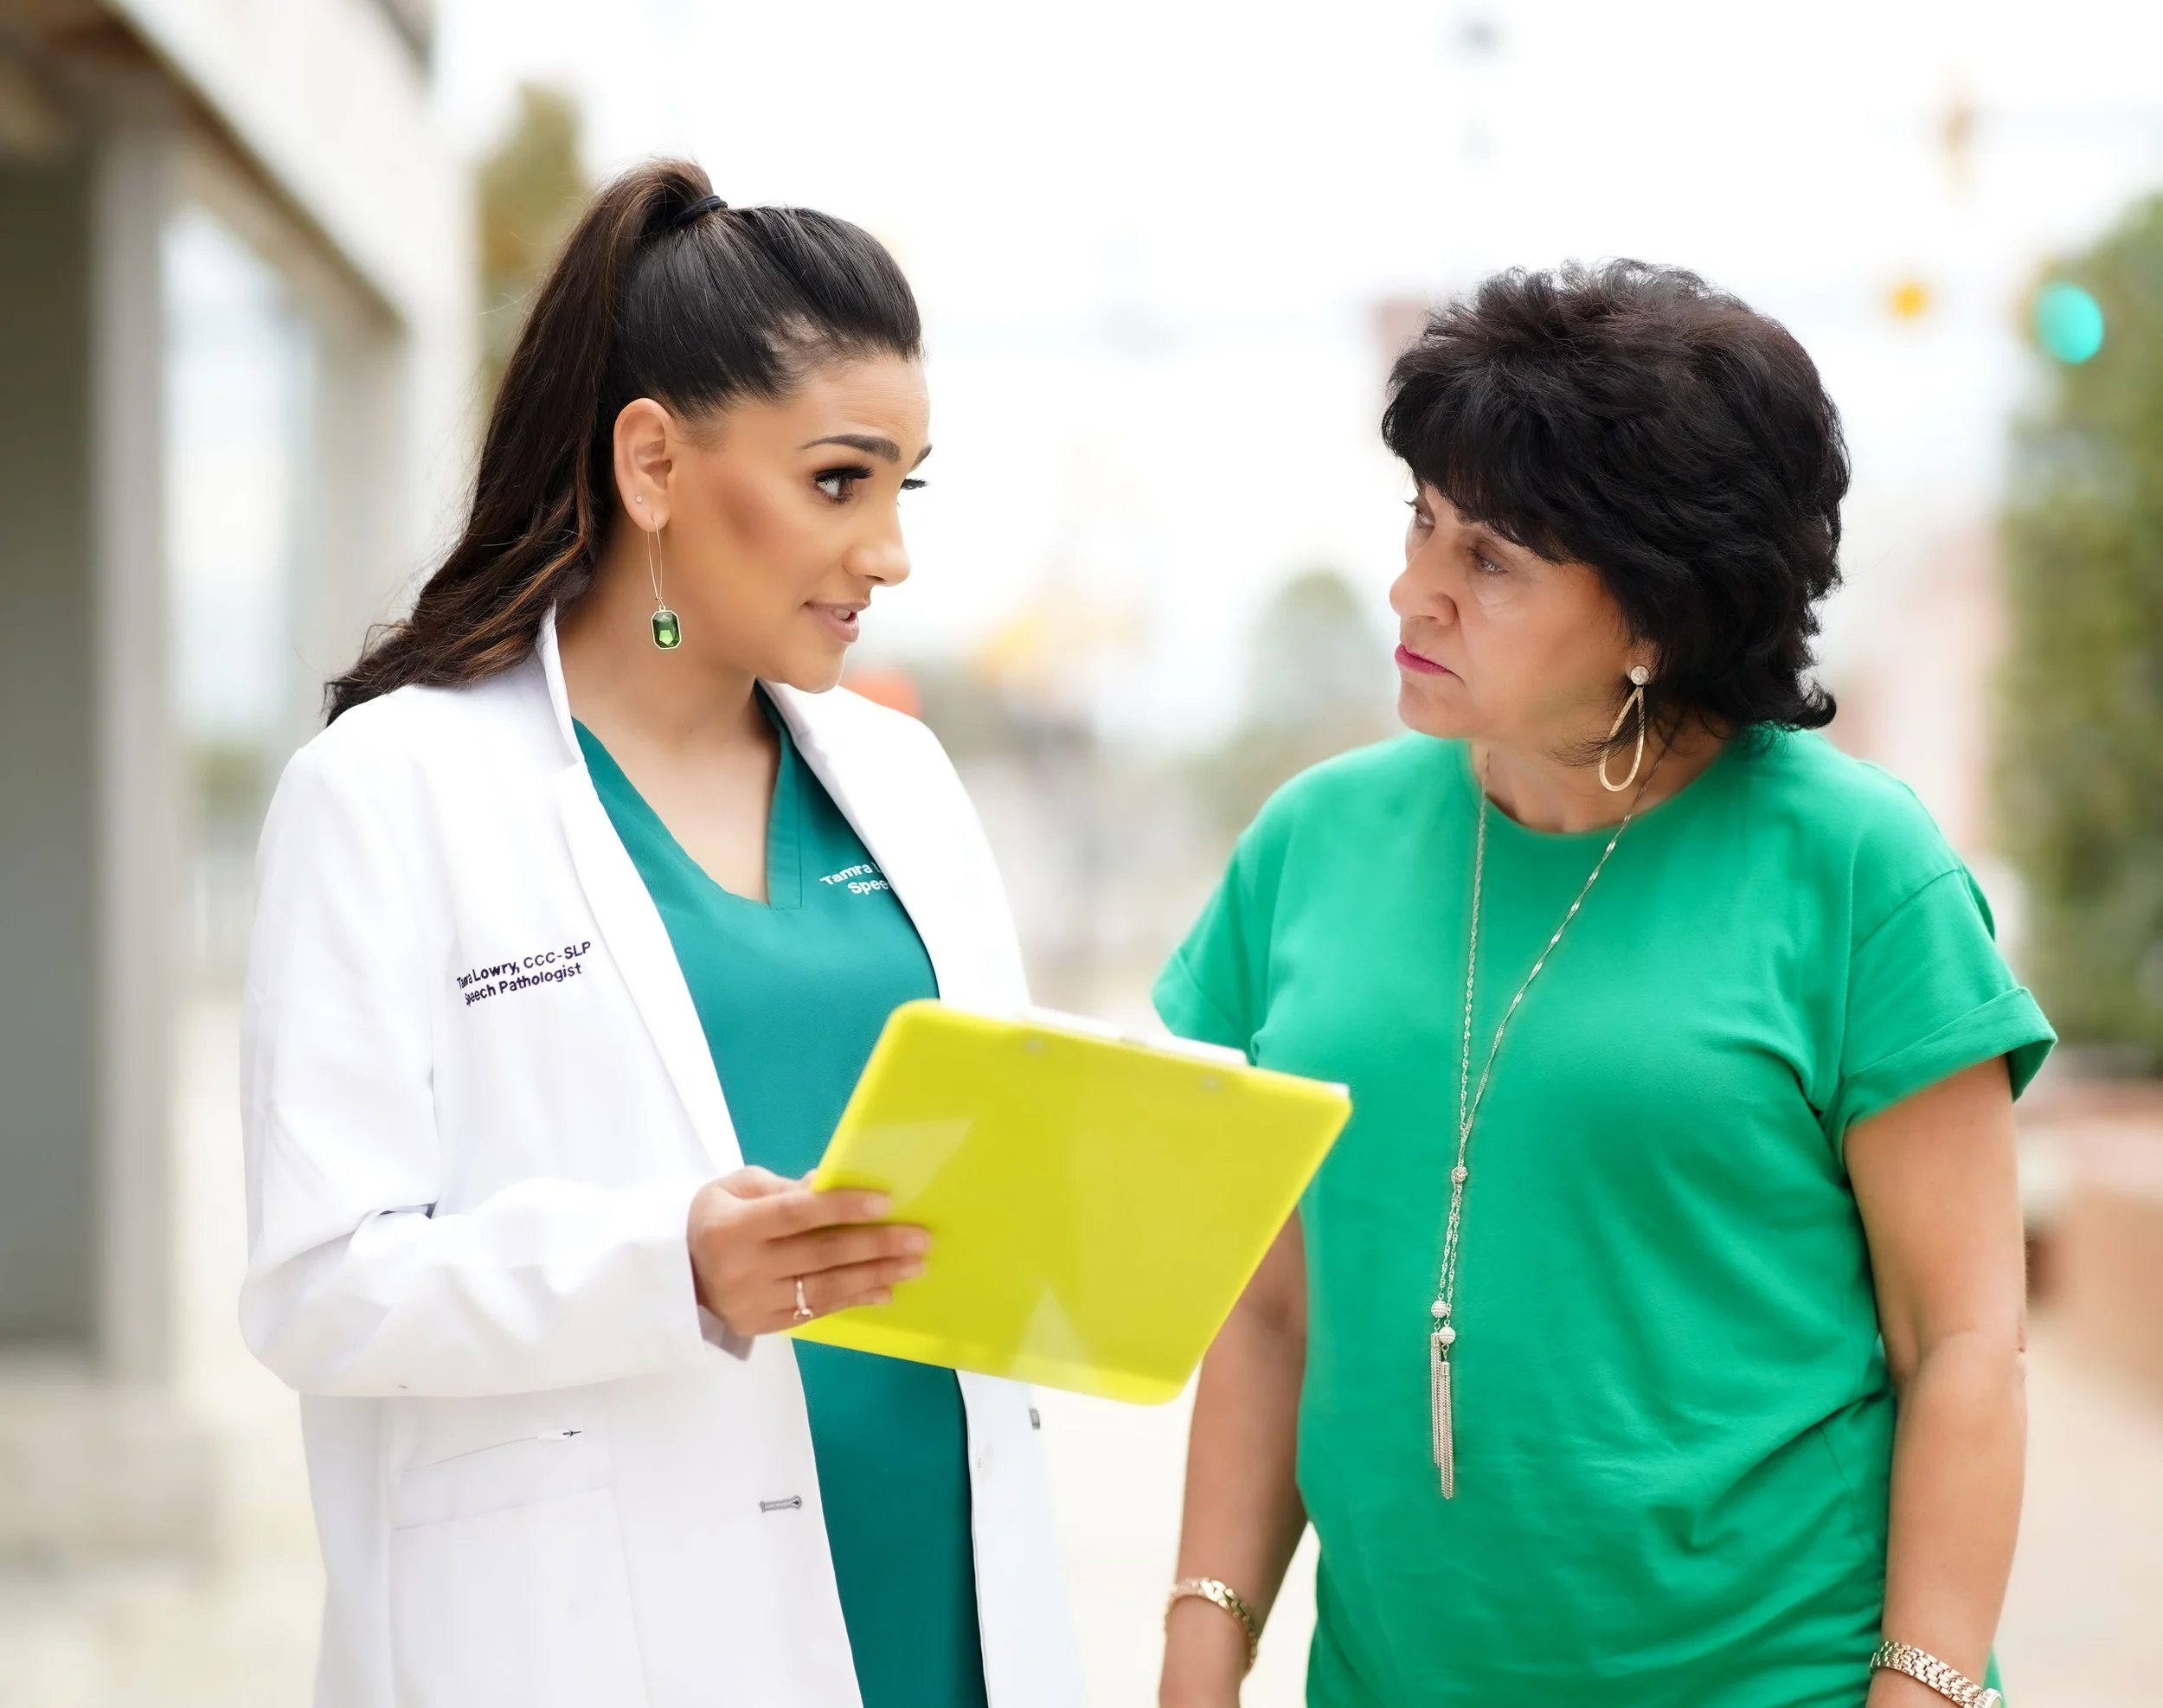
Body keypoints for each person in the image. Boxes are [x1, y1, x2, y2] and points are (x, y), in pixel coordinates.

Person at [239, 160, 1082, 1708]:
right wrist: (671, 1267)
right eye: (842, 481)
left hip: (942, 1604)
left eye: (909, 487)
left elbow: (988, 1173)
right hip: (600, 1632)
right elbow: (319, 1285)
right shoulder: (392, 790)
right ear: (654, 461)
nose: (889, 551)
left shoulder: (902, 776)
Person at [1155, 262, 2047, 1708]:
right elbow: (1271, 1311)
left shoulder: (1858, 871)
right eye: (1419, 523)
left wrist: (1925, 1689)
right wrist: (1200, 1660)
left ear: (1655, 615)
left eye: (1489, 560)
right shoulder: (1309, 847)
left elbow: (1964, 1345)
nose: (1413, 589)